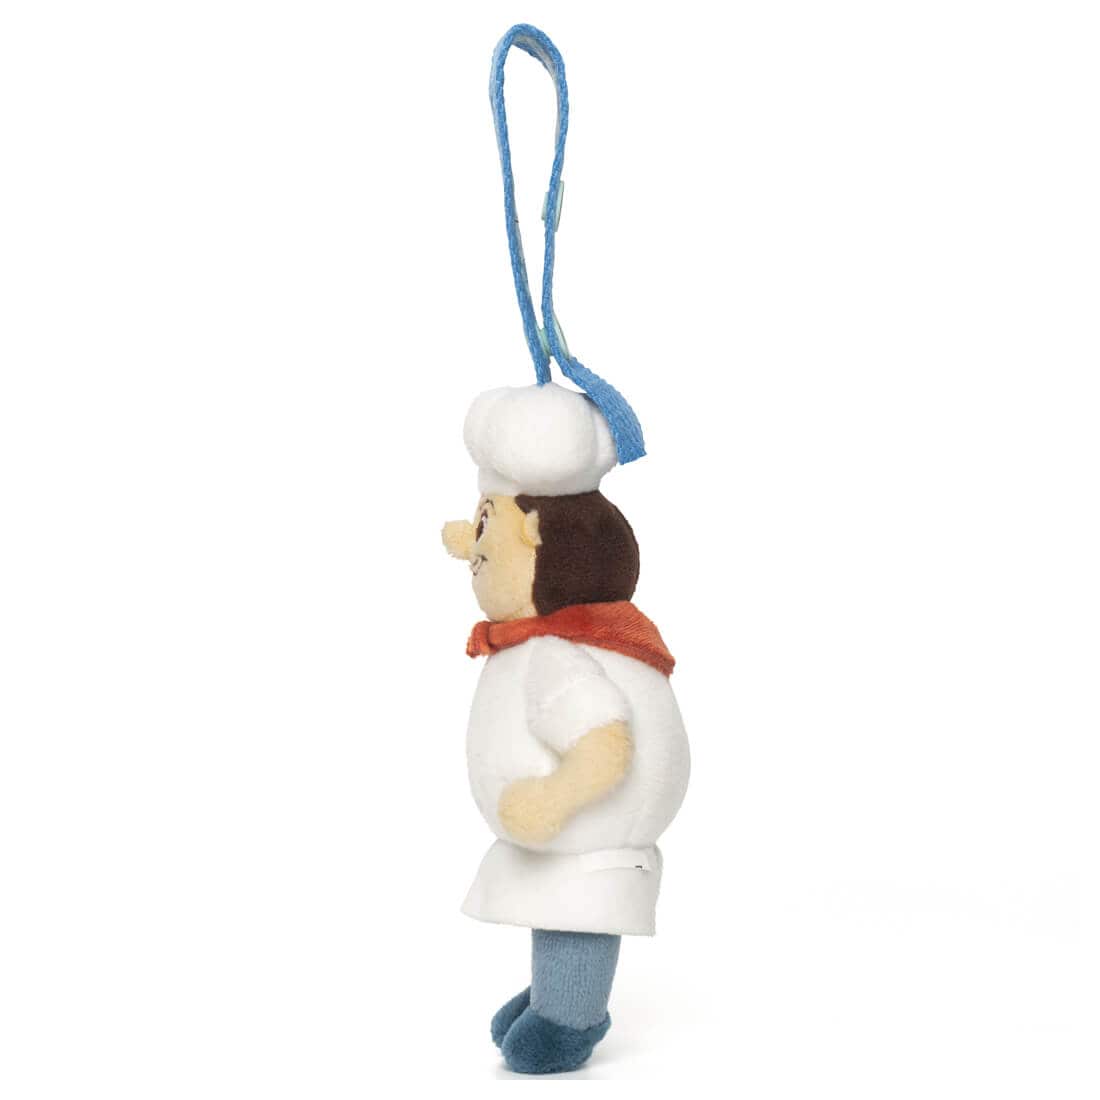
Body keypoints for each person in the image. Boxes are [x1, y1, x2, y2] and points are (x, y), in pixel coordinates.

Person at [442, 382, 690, 1074]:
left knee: (576, 906)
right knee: (559, 902)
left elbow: (604, 744)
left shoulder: (555, 654)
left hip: (584, 831)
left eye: (485, 532)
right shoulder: (583, 637)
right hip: (585, 847)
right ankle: (555, 998)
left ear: (534, 539)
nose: (467, 546)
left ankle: (568, 1018)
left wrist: (551, 798)